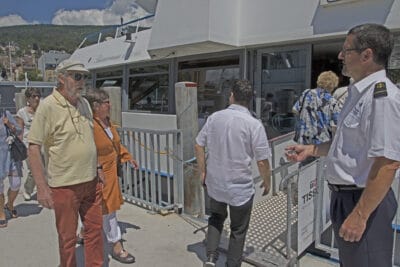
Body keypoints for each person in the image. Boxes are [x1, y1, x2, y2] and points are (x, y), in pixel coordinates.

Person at [286, 23, 400, 267]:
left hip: (363, 202)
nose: (340, 56)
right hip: (345, 199)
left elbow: (388, 163)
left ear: (366, 55)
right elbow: (346, 144)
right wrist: (312, 149)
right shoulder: (356, 93)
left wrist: (360, 215)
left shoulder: (382, 98)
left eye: (346, 50)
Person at [27, 59, 104, 267]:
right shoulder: (48, 106)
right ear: (61, 78)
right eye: (76, 76)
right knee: (68, 239)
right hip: (64, 185)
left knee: (95, 231)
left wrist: (97, 167)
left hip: (91, 182)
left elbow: (90, 139)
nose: (82, 81)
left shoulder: (85, 103)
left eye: (84, 77)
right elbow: (33, 147)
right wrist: (42, 188)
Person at [195, 79, 272, 267]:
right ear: (249, 100)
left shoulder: (214, 118)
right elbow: (262, 160)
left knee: (216, 218)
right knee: (238, 229)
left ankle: (211, 257)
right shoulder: (254, 124)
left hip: (215, 182)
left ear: (231, 96)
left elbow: (199, 144)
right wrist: (267, 181)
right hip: (240, 187)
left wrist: (203, 171)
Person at [82, 88, 138, 264]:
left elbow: (116, 145)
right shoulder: (89, 125)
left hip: (112, 171)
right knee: (108, 209)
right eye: (106, 102)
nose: (110, 105)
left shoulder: (108, 123)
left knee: (100, 207)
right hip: (98, 173)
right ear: (96, 106)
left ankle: (84, 232)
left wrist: (127, 157)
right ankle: (116, 245)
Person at [292, 70, 340, 147]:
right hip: (322, 143)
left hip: (303, 139)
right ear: (333, 85)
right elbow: (338, 122)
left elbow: (295, 110)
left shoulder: (306, 93)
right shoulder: (332, 101)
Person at [15, 87, 41, 201]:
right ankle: (28, 190)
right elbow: (19, 131)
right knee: (33, 169)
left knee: (44, 169)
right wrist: (21, 148)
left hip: (43, 144)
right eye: (33, 96)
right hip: (28, 144)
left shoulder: (43, 110)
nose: (37, 98)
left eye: (38, 96)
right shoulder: (22, 112)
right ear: (28, 99)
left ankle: (42, 190)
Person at [0, 109, 23, 228]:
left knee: (16, 184)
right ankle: (1, 213)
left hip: (11, 156)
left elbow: (19, 129)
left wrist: (9, 124)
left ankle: (10, 204)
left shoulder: (5, 114)